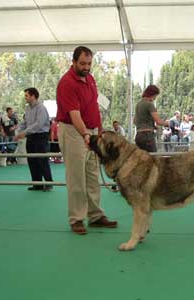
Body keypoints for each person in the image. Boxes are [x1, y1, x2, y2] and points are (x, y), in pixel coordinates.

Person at [56, 46, 117, 235]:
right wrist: (85, 135)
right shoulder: (67, 83)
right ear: (73, 62)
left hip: (90, 132)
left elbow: (94, 108)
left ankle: (96, 215)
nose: (86, 67)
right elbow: (74, 115)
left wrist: (99, 131)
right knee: (76, 177)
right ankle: (77, 219)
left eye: (89, 63)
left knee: (92, 176)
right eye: (82, 63)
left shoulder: (90, 79)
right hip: (74, 132)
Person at [14, 87, 53, 192]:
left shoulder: (41, 108)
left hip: (41, 136)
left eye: (26, 95)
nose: (25, 98)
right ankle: (37, 184)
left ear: (33, 96)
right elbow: (25, 122)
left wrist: (24, 132)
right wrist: (18, 132)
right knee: (32, 160)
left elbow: (39, 124)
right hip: (31, 136)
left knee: (42, 160)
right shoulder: (27, 108)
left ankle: (49, 183)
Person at [134, 84, 169, 152]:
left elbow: (134, 121)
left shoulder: (138, 104)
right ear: (153, 94)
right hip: (147, 136)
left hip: (138, 136)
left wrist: (149, 125)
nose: (155, 98)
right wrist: (167, 123)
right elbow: (158, 121)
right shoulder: (150, 104)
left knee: (142, 159)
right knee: (153, 158)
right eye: (156, 96)